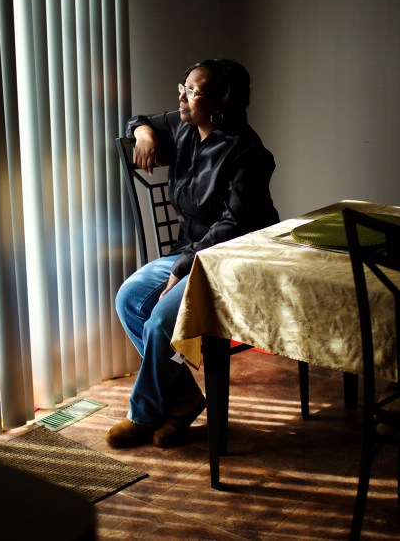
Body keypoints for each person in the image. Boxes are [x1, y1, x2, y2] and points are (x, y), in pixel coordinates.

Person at [108, 58, 280, 449]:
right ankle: (183, 398)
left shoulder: (247, 153)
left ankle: (144, 413)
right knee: (130, 299)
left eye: (193, 90)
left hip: (234, 259)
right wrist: (144, 132)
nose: (182, 97)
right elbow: (139, 118)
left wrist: (184, 266)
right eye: (182, 86)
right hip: (192, 251)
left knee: (159, 322)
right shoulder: (185, 127)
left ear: (220, 102)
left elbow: (234, 225)